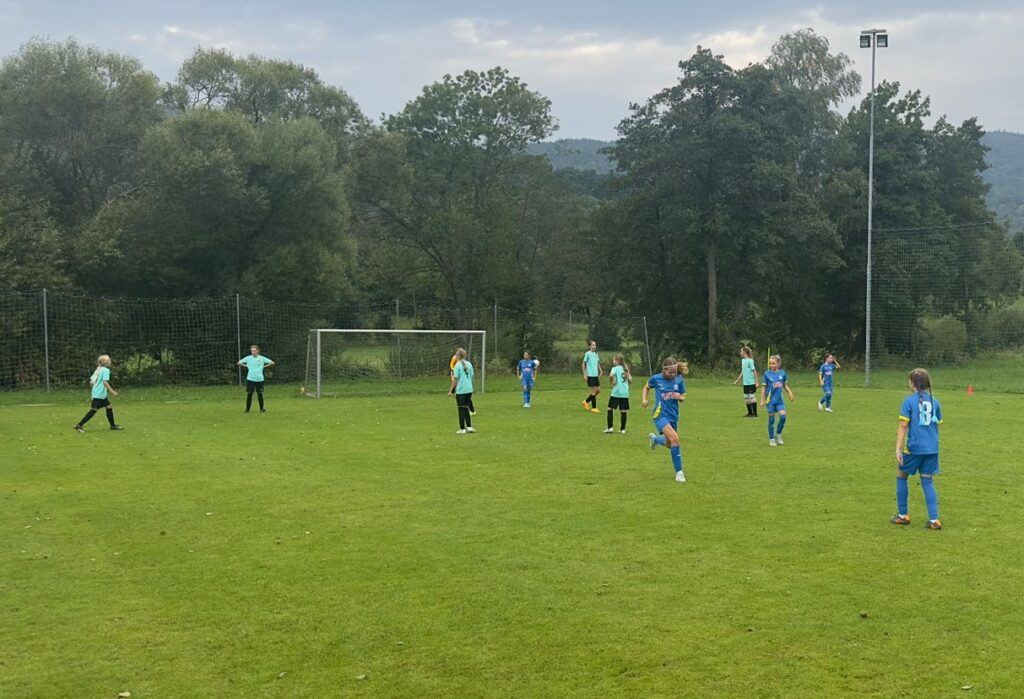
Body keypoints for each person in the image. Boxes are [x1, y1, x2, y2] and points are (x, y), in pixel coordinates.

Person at [891, 368, 943, 530]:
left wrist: (898, 449)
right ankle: (934, 520)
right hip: (932, 449)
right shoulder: (935, 402)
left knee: (901, 475)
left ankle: (903, 515)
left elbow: (903, 425)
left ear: (913, 383)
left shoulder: (909, 401)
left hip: (915, 448)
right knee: (927, 481)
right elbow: (936, 425)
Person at [642, 357, 687, 483]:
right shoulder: (656, 379)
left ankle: (655, 439)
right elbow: (646, 387)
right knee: (675, 440)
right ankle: (679, 473)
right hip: (660, 415)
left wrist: (679, 397)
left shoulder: (679, 379)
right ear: (664, 370)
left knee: (670, 443)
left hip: (673, 416)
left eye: (674, 372)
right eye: (670, 372)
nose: (672, 374)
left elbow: (683, 396)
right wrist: (644, 399)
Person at [74, 354, 123, 432]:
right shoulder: (106, 370)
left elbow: (91, 382)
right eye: (109, 360)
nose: (110, 361)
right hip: (100, 394)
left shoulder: (98, 369)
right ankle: (79, 425)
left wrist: (93, 392)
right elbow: (105, 382)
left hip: (99, 394)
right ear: (104, 362)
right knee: (93, 410)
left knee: (109, 407)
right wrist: (112, 391)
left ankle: (113, 425)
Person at [760, 354, 794, 446]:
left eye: (773, 363)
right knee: (771, 420)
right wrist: (762, 400)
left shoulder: (782, 373)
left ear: (778, 364)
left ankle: (778, 435)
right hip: (770, 401)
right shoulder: (766, 374)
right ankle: (771, 439)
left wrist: (790, 392)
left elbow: (785, 385)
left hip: (779, 400)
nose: (771, 365)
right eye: (770, 363)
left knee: (783, 417)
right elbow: (764, 388)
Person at [237, 344, 275, 413]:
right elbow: (239, 363)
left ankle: (261, 409)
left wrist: (264, 366)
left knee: (260, 394)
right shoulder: (248, 358)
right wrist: (246, 366)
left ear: (258, 351)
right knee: (249, 394)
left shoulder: (262, 358)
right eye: (252, 351)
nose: (253, 352)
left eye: (254, 351)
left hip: (260, 379)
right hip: (250, 379)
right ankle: (247, 409)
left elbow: (272, 363)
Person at [448, 348, 476, 434]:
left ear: (458, 356)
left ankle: (462, 429)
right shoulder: (469, 364)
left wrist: (451, 390)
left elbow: (455, 380)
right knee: (466, 407)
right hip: (469, 389)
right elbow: (472, 376)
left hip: (461, 390)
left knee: (461, 409)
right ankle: (469, 427)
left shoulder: (457, 366)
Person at [604, 354, 632, 434]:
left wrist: (612, 382)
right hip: (625, 393)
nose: (613, 361)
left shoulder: (614, 369)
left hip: (616, 392)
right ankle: (622, 429)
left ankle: (610, 428)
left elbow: (611, 376)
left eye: (614, 360)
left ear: (618, 361)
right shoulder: (625, 369)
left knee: (610, 408)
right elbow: (630, 380)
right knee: (623, 410)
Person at [733, 347, 759, 417]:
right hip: (745, 383)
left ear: (744, 352)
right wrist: (738, 380)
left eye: (741, 351)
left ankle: (755, 413)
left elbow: (754, 371)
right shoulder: (743, 361)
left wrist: (757, 382)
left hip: (751, 383)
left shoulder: (750, 361)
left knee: (751, 397)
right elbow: (743, 372)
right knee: (746, 398)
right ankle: (750, 413)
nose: (740, 352)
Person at [581, 340, 603, 413]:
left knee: (598, 390)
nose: (594, 346)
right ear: (589, 346)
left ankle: (586, 401)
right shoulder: (587, 354)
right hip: (590, 375)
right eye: (593, 345)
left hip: (595, 375)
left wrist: (601, 370)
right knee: (593, 391)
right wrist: (585, 374)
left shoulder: (596, 354)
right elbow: (583, 364)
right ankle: (594, 408)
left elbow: (597, 363)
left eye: (595, 345)